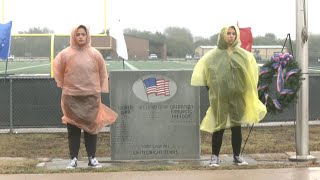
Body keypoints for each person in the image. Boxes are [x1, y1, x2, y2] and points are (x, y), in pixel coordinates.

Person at [191, 25, 267, 167]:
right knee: (218, 126)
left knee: (236, 127)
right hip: (220, 98)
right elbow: (206, 74)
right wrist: (213, 91)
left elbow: (249, 74)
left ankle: (237, 156)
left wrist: (244, 91)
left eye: (233, 33)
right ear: (222, 35)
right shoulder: (213, 55)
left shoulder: (244, 55)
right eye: (228, 33)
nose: (231, 36)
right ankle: (215, 157)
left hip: (238, 98)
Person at [53, 24, 118, 169]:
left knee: (91, 129)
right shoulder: (65, 54)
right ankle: (73, 159)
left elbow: (102, 73)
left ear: (87, 35)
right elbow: (58, 70)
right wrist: (67, 86)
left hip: (91, 99)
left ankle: (92, 158)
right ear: (73, 36)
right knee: (73, 130)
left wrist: (99, 90)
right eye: (78, 34)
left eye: (83, 34)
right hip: (72, 98)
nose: (80, 37)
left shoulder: (95, 54)